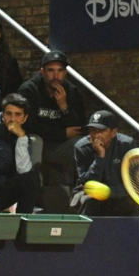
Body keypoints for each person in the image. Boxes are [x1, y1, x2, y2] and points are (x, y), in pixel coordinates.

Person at [19, 50, 86, 191]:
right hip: (36, 144)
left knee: (83, 144)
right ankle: (33, 191)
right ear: (42, 72)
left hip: (59, 146)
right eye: (51, 71)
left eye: (60, 71)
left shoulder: (72, 91)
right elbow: (28, 125)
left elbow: (79, 127)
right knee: (35, 140)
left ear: (65, 73)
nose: (56, 76)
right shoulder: (29, 90)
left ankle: (81, 192)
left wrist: (64, 107)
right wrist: (62, 133)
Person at [70, 109, 138, 215]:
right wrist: (100, 156)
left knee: (132, 202)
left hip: (119, 193)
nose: (96, 135)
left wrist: (110, 193)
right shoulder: (81, 147)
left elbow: (134, 179)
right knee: (88, 200)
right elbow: (86, 182)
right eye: (92, 130)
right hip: (90, 192)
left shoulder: (126, 145)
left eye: (101, 131)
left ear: (113, 132)